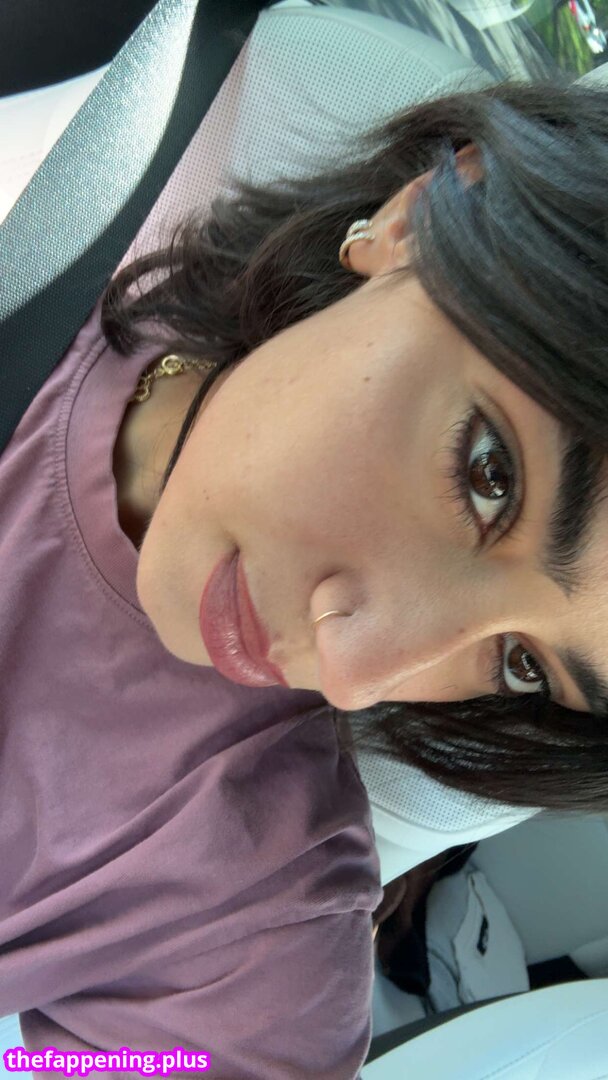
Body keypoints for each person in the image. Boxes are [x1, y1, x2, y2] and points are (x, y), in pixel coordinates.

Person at [1, 78, 608, 1078]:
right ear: (421, 217)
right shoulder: (50, 182)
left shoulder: (255, 910)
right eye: (486, 475)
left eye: (519, 665)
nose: (353, 673)